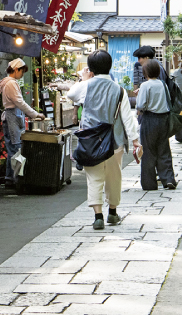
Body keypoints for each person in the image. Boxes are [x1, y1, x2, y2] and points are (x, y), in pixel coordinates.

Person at [78, 50, 140, 230]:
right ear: (110, 66)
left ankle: (98, 216)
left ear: (90, 68)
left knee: (94, 177)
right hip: (115, 141)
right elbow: (128, 118)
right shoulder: (119, 90)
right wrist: (135, 140)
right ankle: (112, 213)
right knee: (114, 176)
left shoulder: (85, 86)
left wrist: (84, 79)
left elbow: (71, 95)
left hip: (91, 141)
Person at [0, 58, 45, 185]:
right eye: (22, 72)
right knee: (15, 148)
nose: (22, 75)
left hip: (12, 117)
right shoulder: (11, 83)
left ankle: (10, 177)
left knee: (13, 148)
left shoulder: (8, 82)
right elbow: (20, 102)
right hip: (12, 117)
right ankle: (15, 179)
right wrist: (35, 114)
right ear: (16, 69)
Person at [134, 59, 178, 190]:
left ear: (145, 72)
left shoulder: (145, 86)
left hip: (149, 119)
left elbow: (141, 105)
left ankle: (149, 183)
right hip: (163, 119)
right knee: (164, 149)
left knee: (148, 151)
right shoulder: (162, 84)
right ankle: (168, 179)